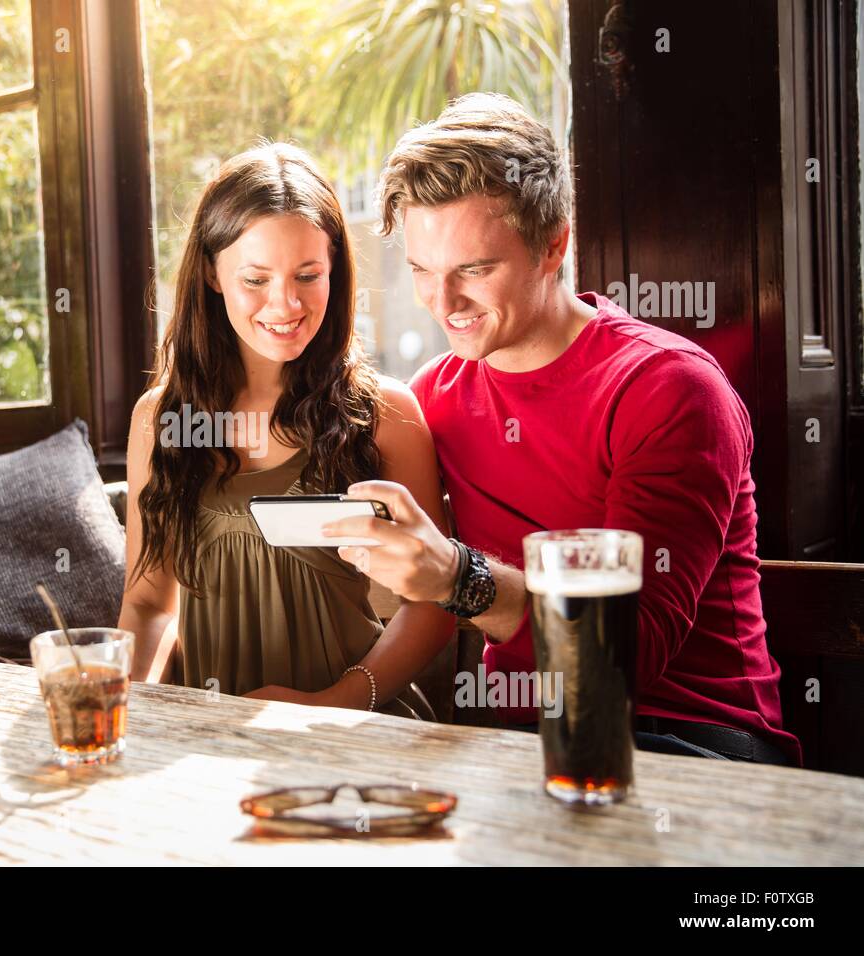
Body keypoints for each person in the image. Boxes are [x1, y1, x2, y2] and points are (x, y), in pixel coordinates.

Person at [323, 93, 801, 765]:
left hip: (688, 741)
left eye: (475, 270)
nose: (443, 303)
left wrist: (461, 578)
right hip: (519, 745)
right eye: (422, 272)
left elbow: (625, 655)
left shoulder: (668, 389)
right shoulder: (434, 397)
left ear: (555, 246)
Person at [118, 143, 456, 717]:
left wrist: (333, 705)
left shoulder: (386, 415)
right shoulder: (160, 422)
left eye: (308, 275)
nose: (286, 303)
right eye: (255, 278)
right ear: (211, 272)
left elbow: (433, 605)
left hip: (355, 729)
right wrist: (138, 714)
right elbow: (150, 604)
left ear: (335, 273)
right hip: (206, 740)